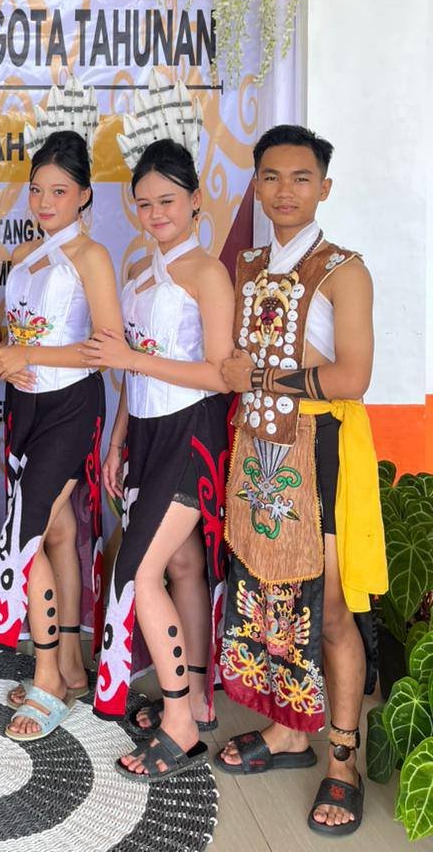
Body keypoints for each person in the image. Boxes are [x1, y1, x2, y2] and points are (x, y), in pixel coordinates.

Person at [215, 124, 386, 836]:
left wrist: (259, 376)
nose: (285, 191)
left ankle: (343, 760)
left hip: (322, 450)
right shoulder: (248, 265)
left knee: (334, 608)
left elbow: (352, 377)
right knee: (269, 593)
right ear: (257, 185)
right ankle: (288, 732)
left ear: (325, 187)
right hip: (260, 449)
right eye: (272, 177)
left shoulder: (344, 270)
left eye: (301, 178)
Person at [85, 135, 234, 781]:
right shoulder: (139, 273)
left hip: (191, 429)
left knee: (138, 573)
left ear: (196, 200)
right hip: (145, 432)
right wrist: (119, 438)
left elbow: (221, 374)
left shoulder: (207, 272)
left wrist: (130, 360)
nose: (155, 214)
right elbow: (131, 373)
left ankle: (180, 726)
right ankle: (196, 696)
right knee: (181, 563)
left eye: (167, 201)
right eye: (144, 204)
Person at [0, 116, 121, 744]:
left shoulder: (92, 255)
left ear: (84, 195)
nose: (44, 202)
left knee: (25, 536)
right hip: (24, 408)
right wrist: (4, 355)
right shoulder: (23, 257)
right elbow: (12, 338)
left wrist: (26, 354)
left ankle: (47, 681)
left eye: (59, 191)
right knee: (58, 532)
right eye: (36, 190)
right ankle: (67, 662)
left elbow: (107, 346)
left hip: (70, 408)